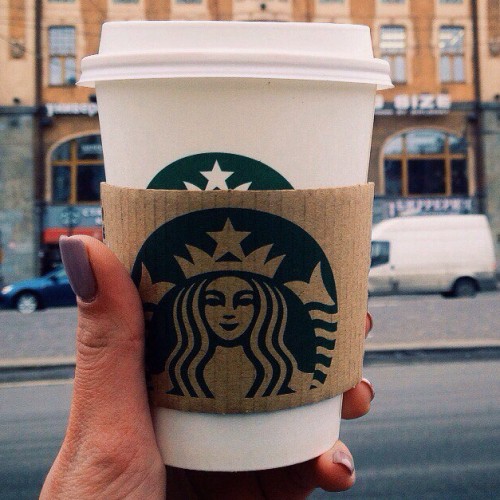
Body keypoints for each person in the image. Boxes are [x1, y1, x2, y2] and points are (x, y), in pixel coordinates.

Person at [40, 235, 375, 499]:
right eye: (213, 301)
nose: (229, 312)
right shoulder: (172, 375)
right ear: (193, 308)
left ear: (266, 310)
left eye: (244, 301)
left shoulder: (296, 378)